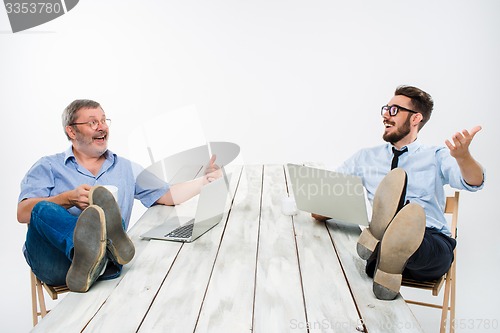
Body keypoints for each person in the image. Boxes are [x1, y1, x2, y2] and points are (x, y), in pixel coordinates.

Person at [17, 99, 222, 292]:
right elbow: (23, 213)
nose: (102, 126)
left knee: (110, 221)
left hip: (104, 268)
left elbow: (167, 194)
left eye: (104, 120)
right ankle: (91, 253)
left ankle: (102, 256)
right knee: (42, 209)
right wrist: (67, 198)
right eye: (92, 122)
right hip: (57, 262)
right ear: (71, 131)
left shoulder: (125, 168)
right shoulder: (48, 166)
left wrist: (205, 181)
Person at [313, 85, 485, 300]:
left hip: (428, 243)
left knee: (412, 235)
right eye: (385, 109)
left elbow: (474, 181)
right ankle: (383, 233)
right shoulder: (364, 158)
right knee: (382, 246)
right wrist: (322, 207)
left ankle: (388, 234)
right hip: (380, 253)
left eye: (394, 110)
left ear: (415, 119)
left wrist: (463, 157)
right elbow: (326, 196)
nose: (386, 114)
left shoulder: (436, 156)